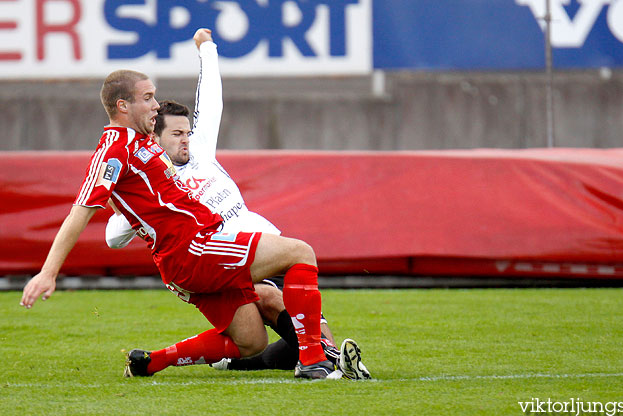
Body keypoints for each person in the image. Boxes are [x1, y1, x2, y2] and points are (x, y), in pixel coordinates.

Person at [20, 28, 339, 380]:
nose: (156, 105)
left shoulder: (143, 142)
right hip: (193, 248)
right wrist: (49, 273)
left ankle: (153, 361)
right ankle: (313, 362)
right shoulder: (114, 149)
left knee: (251, 342)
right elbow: (82, 210)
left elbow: (139, 199)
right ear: (123, 106)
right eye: (148, 97)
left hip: (184, 259)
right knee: (301, 252)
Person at [104, 29, 370, 379]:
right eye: (176, 134)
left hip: (259, 248)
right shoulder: (151, 184)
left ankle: (171, 360)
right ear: (153, 136)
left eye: (188, 133)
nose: (187, 140)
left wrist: (208, 50)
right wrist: (123, 207)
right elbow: (114, 234)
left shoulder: (199, 154)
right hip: (221, 260)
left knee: (255, 340)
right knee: (278, 303)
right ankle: (324, 361)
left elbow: (211, 102)